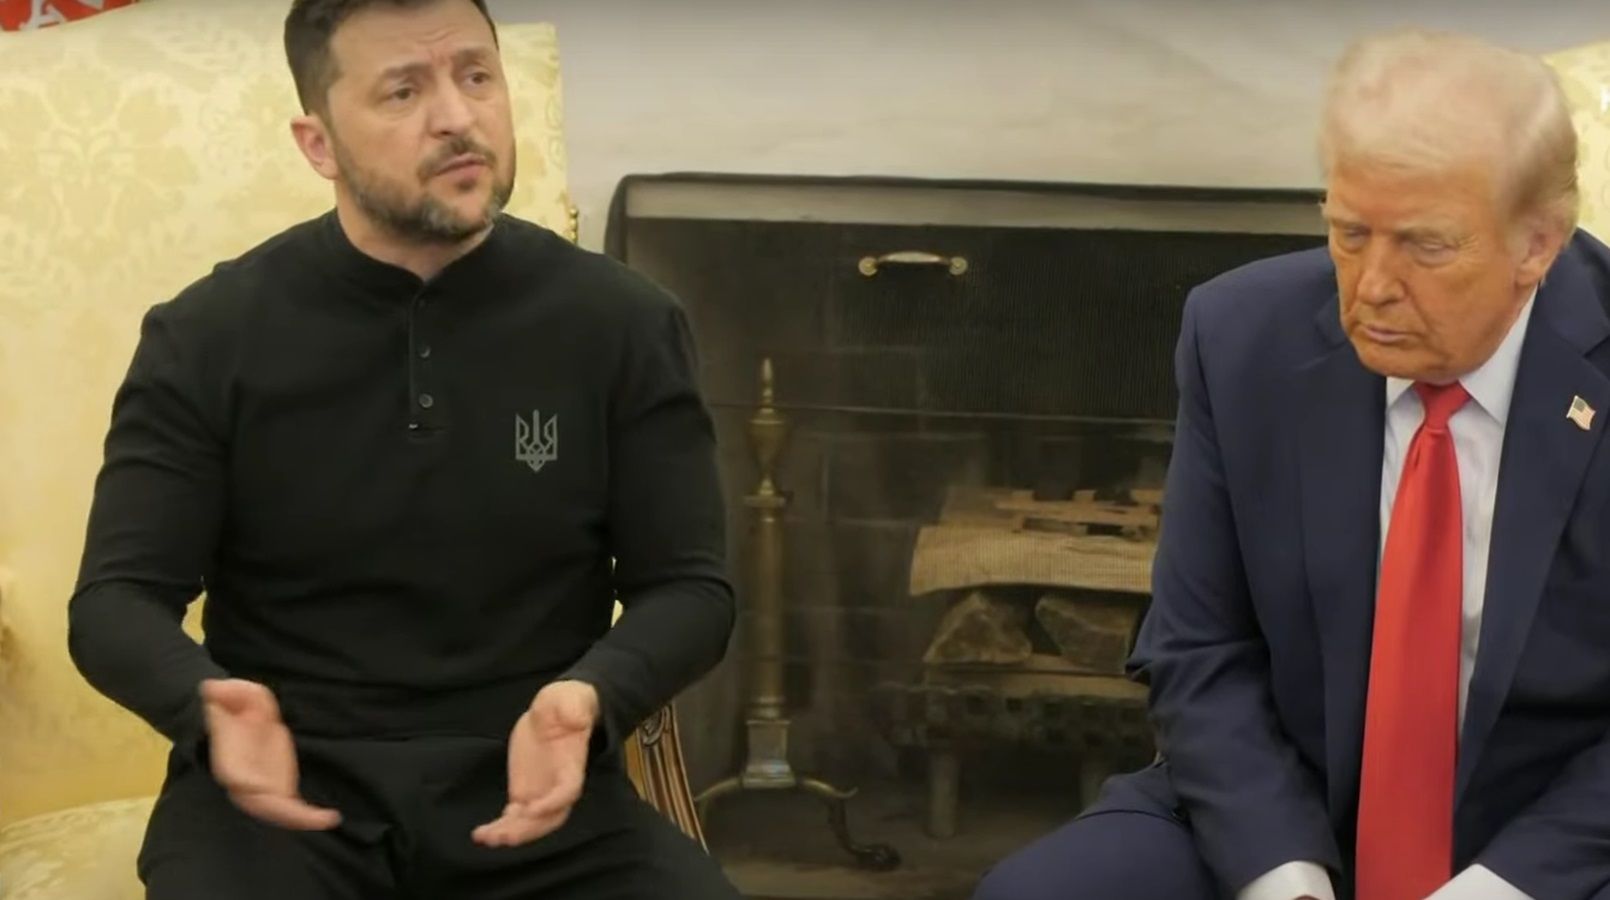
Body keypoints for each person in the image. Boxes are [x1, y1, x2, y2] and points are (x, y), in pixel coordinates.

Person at [65, 1, 741, 897]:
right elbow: (114, 601)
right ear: (318, 144)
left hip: (539, 789)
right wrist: (205, 704)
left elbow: (690, 586)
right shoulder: (205, 335)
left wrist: (593, 695)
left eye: (476, 75)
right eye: (403, 91)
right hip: (283, 801)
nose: (458, 117)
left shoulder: (624, 323)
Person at [974, 27, 1610, 900]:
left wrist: (1495, 890)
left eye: (1424, 245)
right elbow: (1198, 649)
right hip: (1279, 814)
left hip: (1555, 843)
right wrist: (1285, 879)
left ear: (1537, 245)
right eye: (1349, 232)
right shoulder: (1242, 337)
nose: (1372, 285)